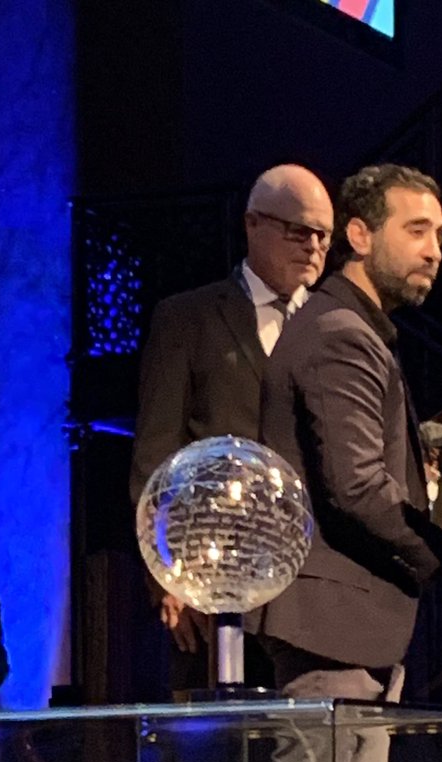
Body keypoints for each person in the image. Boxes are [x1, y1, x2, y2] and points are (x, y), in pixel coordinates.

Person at [250, 163, 442, 762]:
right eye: (416, 230)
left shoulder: (356, 329)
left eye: (439, 234)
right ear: (358, 233)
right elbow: (354, 488)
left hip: (355, 626)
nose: (434, 250)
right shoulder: (341, 332)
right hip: (331, 624)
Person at [129, 163, 334, 693]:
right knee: (213, 752)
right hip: (214, 583)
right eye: (299, 231)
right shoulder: (188, 318)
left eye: (324, 236)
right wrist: (168, 579)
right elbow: (156, 452)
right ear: (252, 225)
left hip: (315, 588)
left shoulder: (337, 330)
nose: (313, 247)